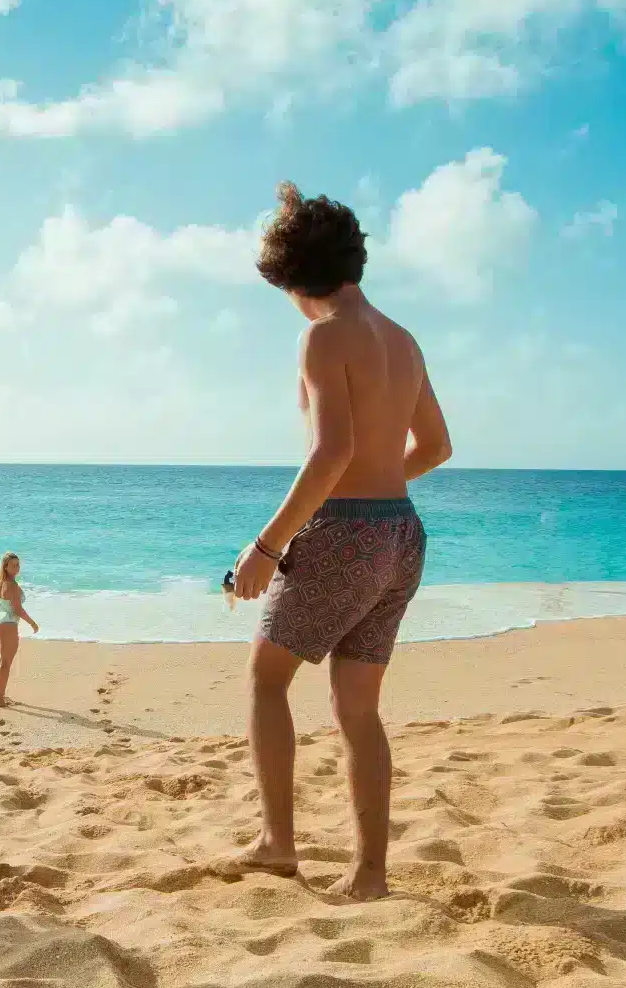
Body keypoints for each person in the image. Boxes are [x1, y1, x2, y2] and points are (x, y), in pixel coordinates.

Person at [224, 182, 453, 900]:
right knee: (358, 709)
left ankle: (278, 844)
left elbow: (330, 452)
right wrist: (381, 488)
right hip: (402, 535)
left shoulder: (323, 335)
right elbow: (437, 447)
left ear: (294, 278)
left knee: (267, 677)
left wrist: (266, 547)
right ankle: (370, 875)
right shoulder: (404, 338)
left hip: (348, 532)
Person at [0, 552, 40, 707]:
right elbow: (18, 610)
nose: (17, 568)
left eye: (18, 564)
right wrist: (32, 623)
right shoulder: (12, 586)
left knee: (4, 661)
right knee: (6, 663)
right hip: (7, 625)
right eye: (13, 565)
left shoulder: (0, 582)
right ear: (5, 567)